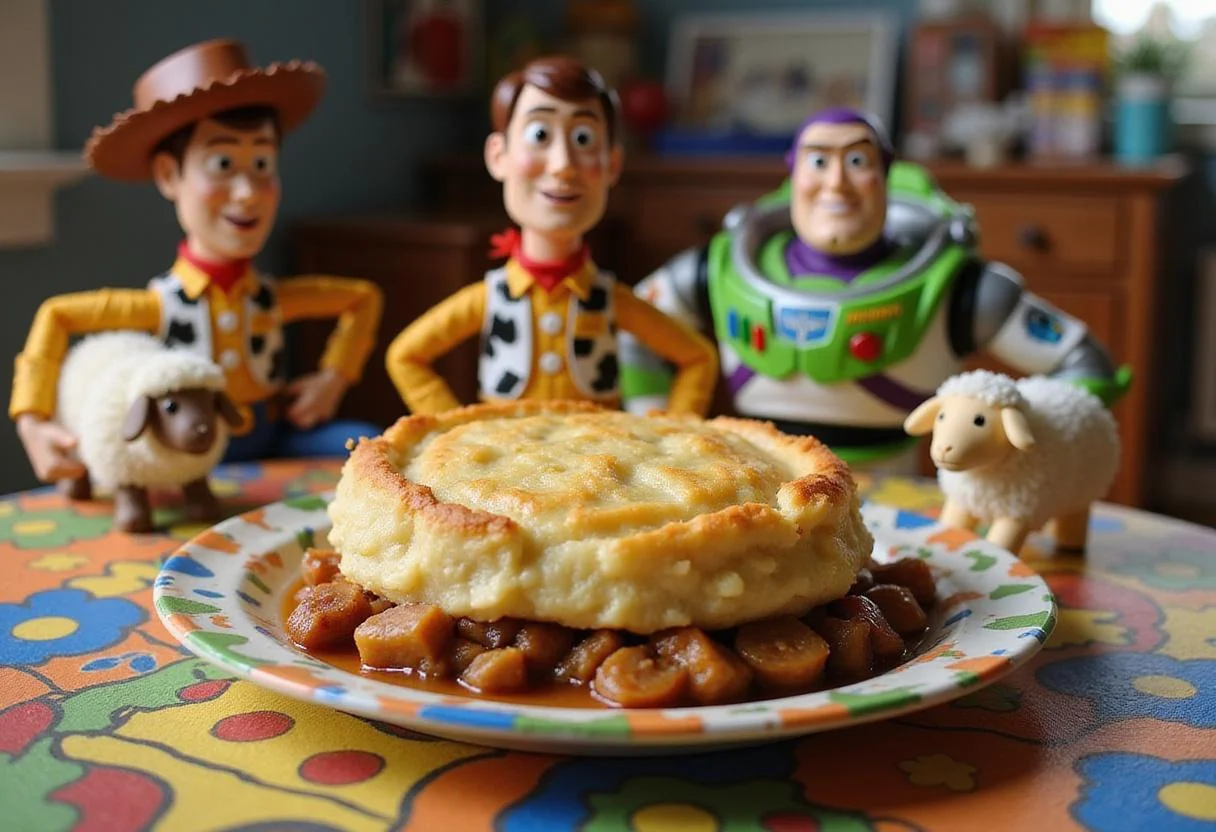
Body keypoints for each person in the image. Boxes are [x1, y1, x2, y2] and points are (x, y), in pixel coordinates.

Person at [620, 107, 1129, 471]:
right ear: (794, 174)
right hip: (762, 485)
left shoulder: (958, 287)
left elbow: (1083, 363)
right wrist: (661, 428)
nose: (836, 183)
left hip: (900, 498)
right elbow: (632, 328)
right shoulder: (714, 271)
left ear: (886, 176)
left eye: (857, 163)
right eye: (819, 162)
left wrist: (1016, 444)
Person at [11, 39, 384, 489]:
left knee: (373, 448)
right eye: (222, 164)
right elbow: (57, 315)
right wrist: (32, 419)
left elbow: (363, 299)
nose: (247, 192)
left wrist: (333, 379)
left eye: (262, 164)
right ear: (169, 176)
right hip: (189, 448)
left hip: (275, 433)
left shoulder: (272, 298)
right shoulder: (160, 305)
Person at [386, 55, 717, 416]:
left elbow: (698, 358)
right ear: (498, 156)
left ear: (612, 164)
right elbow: (405, 357)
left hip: (597, 450)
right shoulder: (492, 297)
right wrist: (456, 426)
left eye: (583, 139)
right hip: (505, 450)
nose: (563, 165)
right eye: (539, 135)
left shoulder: (609, 300)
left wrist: (672, 430)